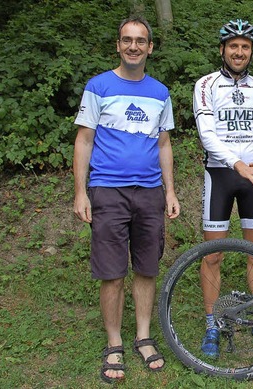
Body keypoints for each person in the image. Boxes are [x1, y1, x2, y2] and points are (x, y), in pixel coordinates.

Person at [73, 16, 180, 383]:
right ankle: (115, 342)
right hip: (108, 190)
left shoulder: (160, 92)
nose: (133, 46)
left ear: (150, 47)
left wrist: (169, 190)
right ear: (118, 45)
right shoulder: (98, 86)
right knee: (112, 271)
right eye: (127, 40)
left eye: (140, 41)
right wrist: (79, 192)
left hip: (150, 192)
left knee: (147, 266)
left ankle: (144, 336)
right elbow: (84, 140)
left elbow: (164, 144)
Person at [193, 19, 253, 359]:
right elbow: (207, 133)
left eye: (245, 47)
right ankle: (212, 324)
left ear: (251, 52)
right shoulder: (206, 84)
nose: (239, 52)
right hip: (221, 174)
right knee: (212, 254)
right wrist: (236, 163)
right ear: (222, 50)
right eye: (233, 46)